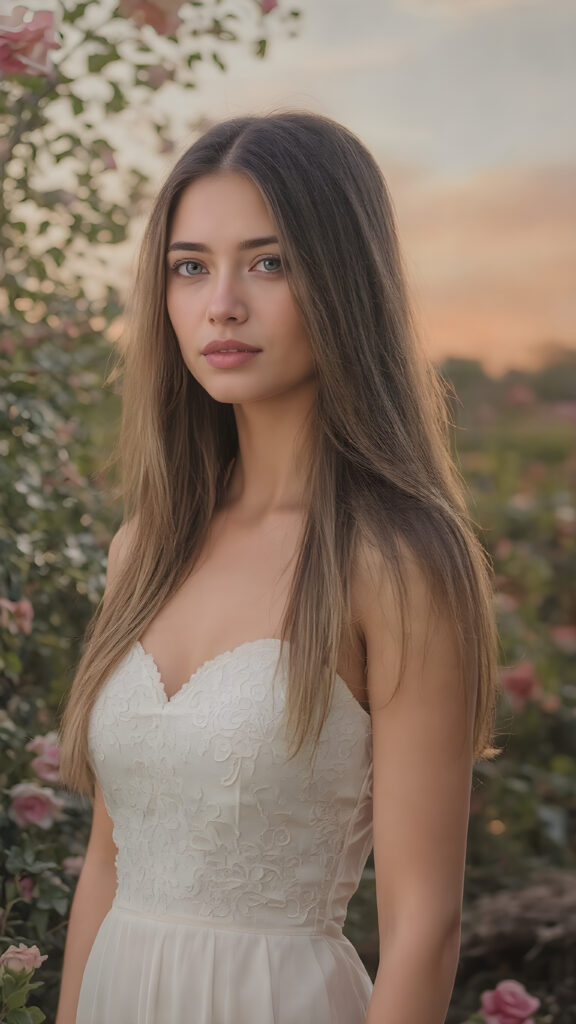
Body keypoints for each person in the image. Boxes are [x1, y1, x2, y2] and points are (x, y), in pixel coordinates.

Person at [55, 109, 499, 1024]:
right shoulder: (145, 545)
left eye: (269, 262)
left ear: (343, 279)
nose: (222, 303)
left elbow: (426, 924)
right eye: (191, 266)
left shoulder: (399, 559)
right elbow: (108, 861)